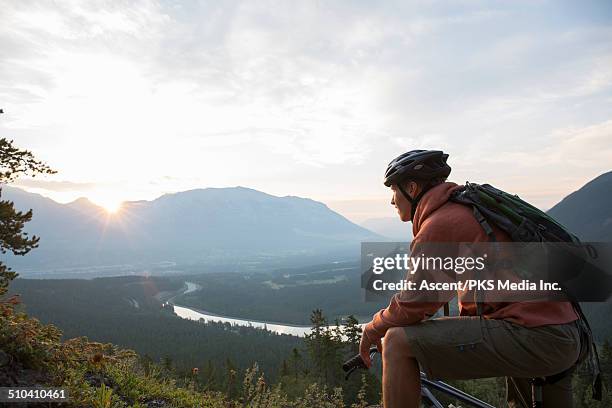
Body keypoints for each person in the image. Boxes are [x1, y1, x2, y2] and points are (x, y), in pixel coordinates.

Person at [360, 150, 582, 408]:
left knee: (397, 341)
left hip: (535, 336)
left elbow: (414, 305)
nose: (392, 201)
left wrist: (373, 328)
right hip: (564, 332)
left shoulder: (441, 223)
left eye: (393, 191)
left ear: (411, 187)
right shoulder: (472, 209)